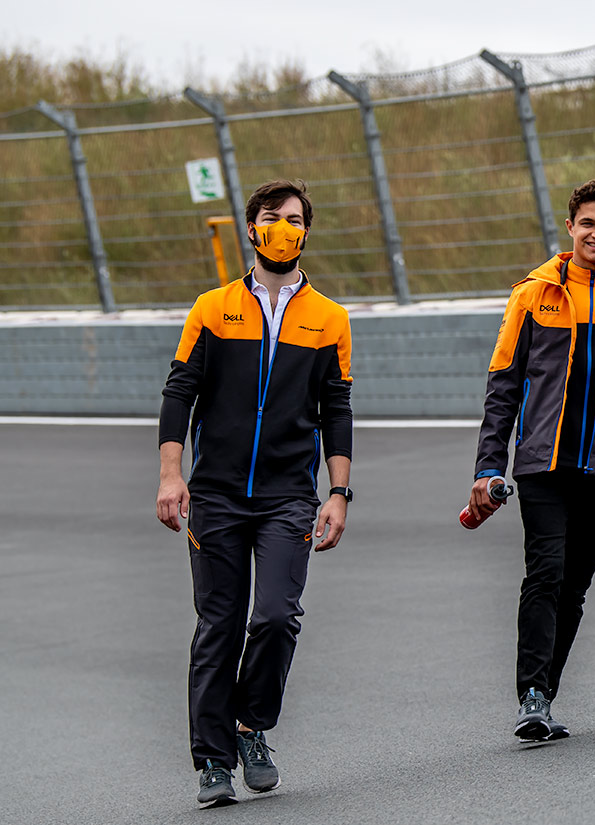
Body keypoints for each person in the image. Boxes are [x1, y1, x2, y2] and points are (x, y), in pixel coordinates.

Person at [156, 179, 353, 807]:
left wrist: (339, 490)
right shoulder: (212, 307)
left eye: (295, 220)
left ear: (306, 231)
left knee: (274, 616)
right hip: (214, 495)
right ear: (252, 229)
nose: (284, 228)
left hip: (288, 496)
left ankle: (249, 726)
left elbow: (337, 407)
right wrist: (170, 474)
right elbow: (179, 392)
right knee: (219, 624)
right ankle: (212, 761)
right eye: (273, 218)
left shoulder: (329, 319)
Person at [469, 178, 595, 741]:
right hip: (541, 463)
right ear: (570, 227)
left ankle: (544, 694)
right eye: (588, 223)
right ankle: (531, 694)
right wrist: (489, 465)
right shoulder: (532, 295)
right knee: (547, 572)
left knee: (575, 586)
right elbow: (503, 386)